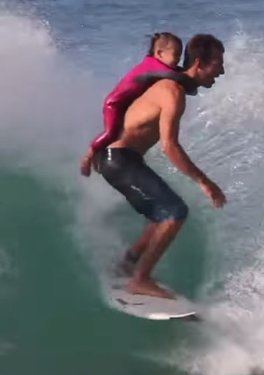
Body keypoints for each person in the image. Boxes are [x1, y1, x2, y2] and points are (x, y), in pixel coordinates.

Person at [92, 34, 227, 299]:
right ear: (198, 63)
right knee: (174, 212)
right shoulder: (172, 91)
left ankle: (126, 267)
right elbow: (169, 146)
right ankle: (140, 279)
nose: (221, 71)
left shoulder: (173, 86)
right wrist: (204, 182)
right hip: (118, 159)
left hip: (118, 159)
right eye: (218, 64)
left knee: (159, 215)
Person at [80, 32, 196, 177]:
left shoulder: (157, 65)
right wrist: (191, 78)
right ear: (159, 53)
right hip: (114, 104)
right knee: (111, 133)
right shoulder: (152, 65)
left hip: (126, 104)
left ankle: (101, 157)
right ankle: (89, 155)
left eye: (180, 55)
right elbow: (175, 76)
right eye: (176, 55)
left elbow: (178, 77)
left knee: (122, 133)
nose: (178, 59)